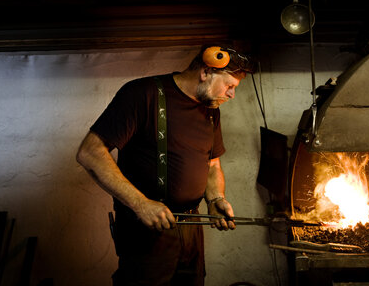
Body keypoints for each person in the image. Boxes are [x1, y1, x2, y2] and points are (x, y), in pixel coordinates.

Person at [76, 44, 256, 285]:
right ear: (205, 72)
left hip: (192, 228)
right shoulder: (142, 94)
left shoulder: (211, 110)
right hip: (146, 232)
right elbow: (90, 152)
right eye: (230, 86)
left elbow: (212, 164)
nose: (232, 94)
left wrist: (215, 199)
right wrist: (141, 204)